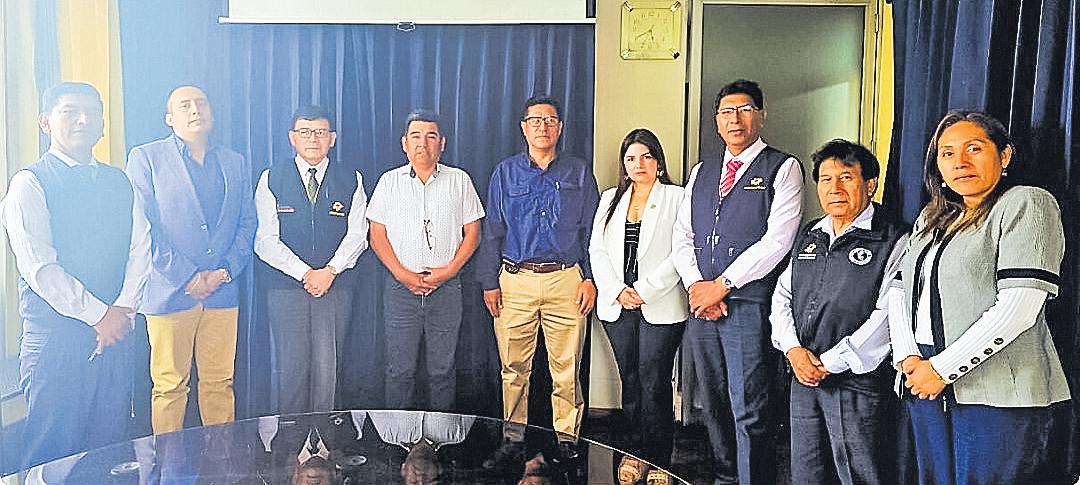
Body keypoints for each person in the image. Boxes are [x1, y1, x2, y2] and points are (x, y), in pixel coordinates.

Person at [887, 110, 1070, 484]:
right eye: (947, 153)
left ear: (1004, 155)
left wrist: (941, 369)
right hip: (924, 382)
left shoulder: (1026, 203)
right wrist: (908, 358)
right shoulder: (931, 218)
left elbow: (1019, 307)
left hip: (999, 394)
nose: (960, 162)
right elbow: (899, 290)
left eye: (974, 148)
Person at [0, 81, 152, 467]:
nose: (84, 120)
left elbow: (141, 247)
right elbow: (40, 267)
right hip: (57, 342)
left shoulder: (119, 180)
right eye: (70, 112)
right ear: (45, 122)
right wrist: (100, 315)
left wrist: (121, 311)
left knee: (111, 448)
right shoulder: (29, 183)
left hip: (116, 334)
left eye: (93, 112)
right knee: (54, 451)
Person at [671, 79, 803, 484]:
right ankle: (726, 476)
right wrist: (697, 287)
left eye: (745, 110)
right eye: (727, 112)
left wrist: (722, 285)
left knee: (749, 406)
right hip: (702, 305)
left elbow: (777, 241)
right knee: (712, 403)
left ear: (761, 116)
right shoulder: (702, 172)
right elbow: (683, 236)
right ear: (716, 120)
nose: (736, 119)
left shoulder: (783, 167)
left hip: (747, 304)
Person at [769, 139, 908, 484]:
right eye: (826, 179)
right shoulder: (812, 233)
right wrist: (793, 350)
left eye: (846, 177)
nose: (834, 188)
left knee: (859, 474)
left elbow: (888, 315)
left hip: (856, 382)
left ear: (870, 184)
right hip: (804, 375)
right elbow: (783, 295)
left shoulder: (894, 238)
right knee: (806, 472)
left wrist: (830, 362)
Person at [126, 85, 257, 434]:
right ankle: (169, 462)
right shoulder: (146, 158)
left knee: (220, 382)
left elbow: (247, 223)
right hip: (170, 292)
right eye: (184, 105)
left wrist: (224, 272)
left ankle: (222, 457)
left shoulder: (234, 162)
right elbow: (143, 227)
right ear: (169, 118)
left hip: (222, 291)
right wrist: (188, 277)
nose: (195, 109)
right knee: (170, 386)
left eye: (201, 103)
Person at [476, 95, 600, 460]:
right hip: (516, 280)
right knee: (513, 367)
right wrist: (489, 282)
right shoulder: (505, 172)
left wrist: (590, 278)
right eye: (535, 121)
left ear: (560, 127)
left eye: (550, 120)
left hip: (567, 279)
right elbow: (491, 230)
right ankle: (513, 436)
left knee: (567, 366)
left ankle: (567, 438)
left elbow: (593, 232)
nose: (543, 127)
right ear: (524, 128)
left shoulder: (579, 172)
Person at [367, 110, 484, 411]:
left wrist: (448, 271)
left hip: (446, 289)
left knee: (443, 370)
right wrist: (402, 274)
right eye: (416, 136)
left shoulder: (459, 180)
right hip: (400, 290)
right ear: (404, 143)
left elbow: (473, 233)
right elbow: (376, 235)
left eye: (431, 136)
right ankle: (398, 436)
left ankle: (439, 436)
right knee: (399, 371)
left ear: (442, 143)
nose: (423, 143)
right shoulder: (389, 182)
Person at [255, 105, 368, 414]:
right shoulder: (272, 178)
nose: (313, 139)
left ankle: (325, 438)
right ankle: (292, 438)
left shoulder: (350, 179)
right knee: (290, 369)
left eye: (320, 132)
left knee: (328, 369)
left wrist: (330, 271)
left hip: (335, 286)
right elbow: (265, 241)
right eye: (305, 132)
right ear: (292, 138)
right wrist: (306, 273)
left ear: (332, 138)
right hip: (286, 289)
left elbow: (359, 234)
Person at [587, 128, 687, 478]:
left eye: (646, 156)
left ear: (658, 161)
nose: (638, 164)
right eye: (631, 158)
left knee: (653, 379)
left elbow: (682, 251)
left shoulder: (677, 197)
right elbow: (596, 249)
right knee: (629, 378)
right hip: (618, 303)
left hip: (660, 301)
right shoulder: (610, 198)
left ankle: (659, 459)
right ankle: (633, 453)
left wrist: (645, 289)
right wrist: (616, 289)